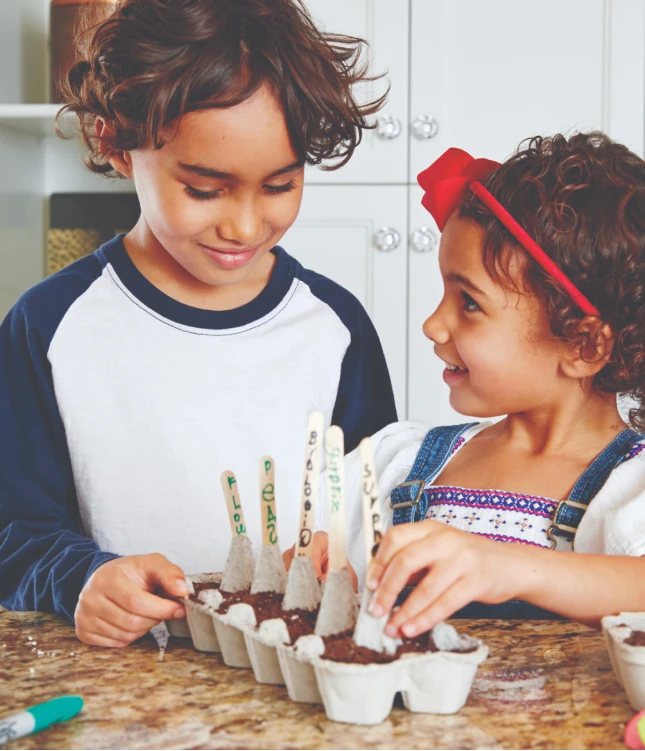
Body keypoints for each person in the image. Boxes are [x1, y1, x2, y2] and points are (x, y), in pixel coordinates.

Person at [0, 0, 397, 647]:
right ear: (115, 143)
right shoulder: (48, 327)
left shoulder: (336, 328)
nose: (244, 225)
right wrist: (81, 578)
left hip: (299, 687)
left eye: (279, 184)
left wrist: (353, 553)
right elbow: (12, 529)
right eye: (205, 189)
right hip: (126, 686)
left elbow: (376, 504)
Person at [336, 132, 645, 635]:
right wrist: (315, 565)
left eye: (470, 303)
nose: (433, 325)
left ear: (583, 347)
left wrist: (507, 567)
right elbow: (313, 545)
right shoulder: (404, 465)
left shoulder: (632, 485)